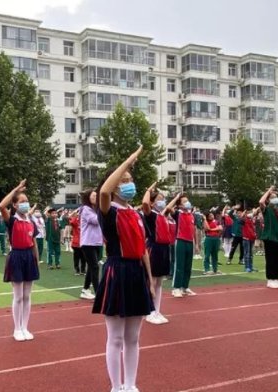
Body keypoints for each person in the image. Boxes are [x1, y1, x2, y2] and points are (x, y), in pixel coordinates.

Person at [93, 145, 154, 392]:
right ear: (117, 183)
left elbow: (142, 250)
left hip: (136, 273)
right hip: (116, 272)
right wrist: (128, 161)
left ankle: (130, 385)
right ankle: (116, 387)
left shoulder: (136, 214)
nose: (129, 183)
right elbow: (104, 190)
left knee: (133, 338)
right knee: (115, 337)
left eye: (131, 179)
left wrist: (149, 280)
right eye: (124, 179)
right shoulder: (108, 211)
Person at [0, 180, 40, 342]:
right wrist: (16, 189)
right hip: (16, 256)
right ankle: (17, 328)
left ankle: (25, 327)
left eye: (26, 201)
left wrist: (36, 260)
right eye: (22, 202)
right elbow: (2, 206)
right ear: (15, 205)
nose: (25, 204)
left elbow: (34, 242)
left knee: (27, 295)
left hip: (29, 257)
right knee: (18, 296)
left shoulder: (30, 221)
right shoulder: (12, 220)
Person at [141, 182, 174, 324]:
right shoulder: (150, 214)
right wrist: (148, 189)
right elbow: (144, 203)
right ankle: (149, 311)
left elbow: (168, 207)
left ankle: (157, 310)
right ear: (153, 203)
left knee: (160, 281)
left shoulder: (161, 215)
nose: (163, 201)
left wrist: (177, 197)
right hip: (154, 247)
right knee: (152, 281)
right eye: (159, 199)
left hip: (164, 248)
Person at [259, 186, 278, 289]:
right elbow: (261, 202)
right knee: (271, 258)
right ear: (268, 199)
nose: (275, 198)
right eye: (273, 197)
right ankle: (270, 279)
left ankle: (276, 278)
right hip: (269, 237)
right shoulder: (267, 209)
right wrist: (269, 190)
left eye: (276, 197)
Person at [171, 192, 196, 298]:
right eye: (184, 201)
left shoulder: (191, 215)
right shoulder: (177, 213)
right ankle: (176, 288)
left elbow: (192, 230)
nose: (187, 203)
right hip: (180, 241)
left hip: (190, 242)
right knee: (179, 265)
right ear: (180, 205)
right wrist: (176, 197)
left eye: (187, 201)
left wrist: (196, 244)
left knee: (188, 266)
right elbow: (169, 208)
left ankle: (185, 287)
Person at [80, 190, 103, 301]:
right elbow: (96, 220)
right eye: (94, 196)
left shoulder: (94, 209)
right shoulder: (86, 209)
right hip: (88, 242)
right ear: (88, 198)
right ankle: (98, 293)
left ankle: (85, 290)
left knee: (92, 266)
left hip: (96, 242)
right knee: (94, 267)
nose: (96, 197)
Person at [202, 211, 222, 275]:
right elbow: (207, 228)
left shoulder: (217, 221)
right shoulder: (205, 222)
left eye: (212, 215)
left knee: (215, 255)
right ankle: (206, 269)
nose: (212, 216)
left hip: (216, 238)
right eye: (210, 216)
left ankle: (215, 269)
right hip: (209, 239)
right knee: (207, 254)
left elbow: (220, 228)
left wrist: (211, 229)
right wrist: (204, 219)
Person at [68, 210, 85, 276]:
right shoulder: (75, 222)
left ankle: (83, 270)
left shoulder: (84, 222)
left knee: (84, 258)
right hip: (76, 243)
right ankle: (77, 270)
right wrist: (74, 213)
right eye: (78, 214)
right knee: (76, 258)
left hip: (83, 243)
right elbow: (71, 220)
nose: (79, 215)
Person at [240, 209, 258, 273]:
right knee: (247, 253)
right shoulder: (245, 220)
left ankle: (251, 266)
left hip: (252, 238)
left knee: (250, 254)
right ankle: (247, 267)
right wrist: (244, 212)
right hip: (246, 238)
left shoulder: (252, 220)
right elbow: (241, 218)